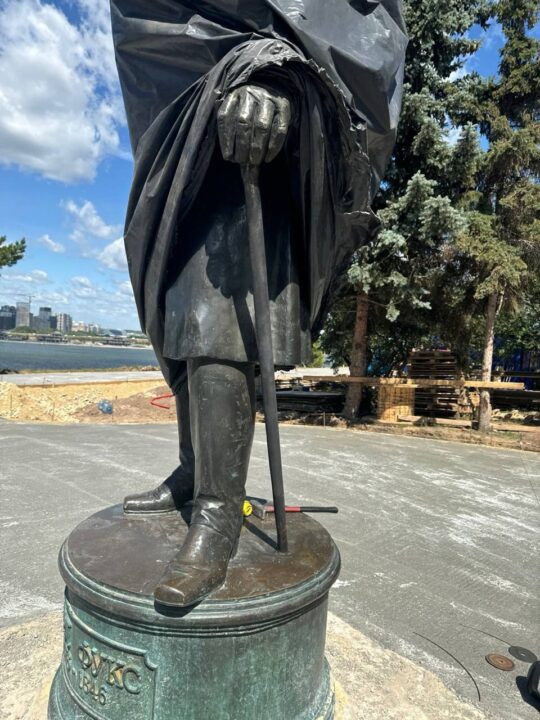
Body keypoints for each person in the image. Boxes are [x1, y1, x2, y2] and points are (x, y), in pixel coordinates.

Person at [111, 0, 407, 607]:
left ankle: (219, 511)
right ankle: (195, 469)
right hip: (186, 137)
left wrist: (276, 76)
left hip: (267, 159)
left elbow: (359, 36)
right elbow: (153, 28)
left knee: (217, 314)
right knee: (176, 309)